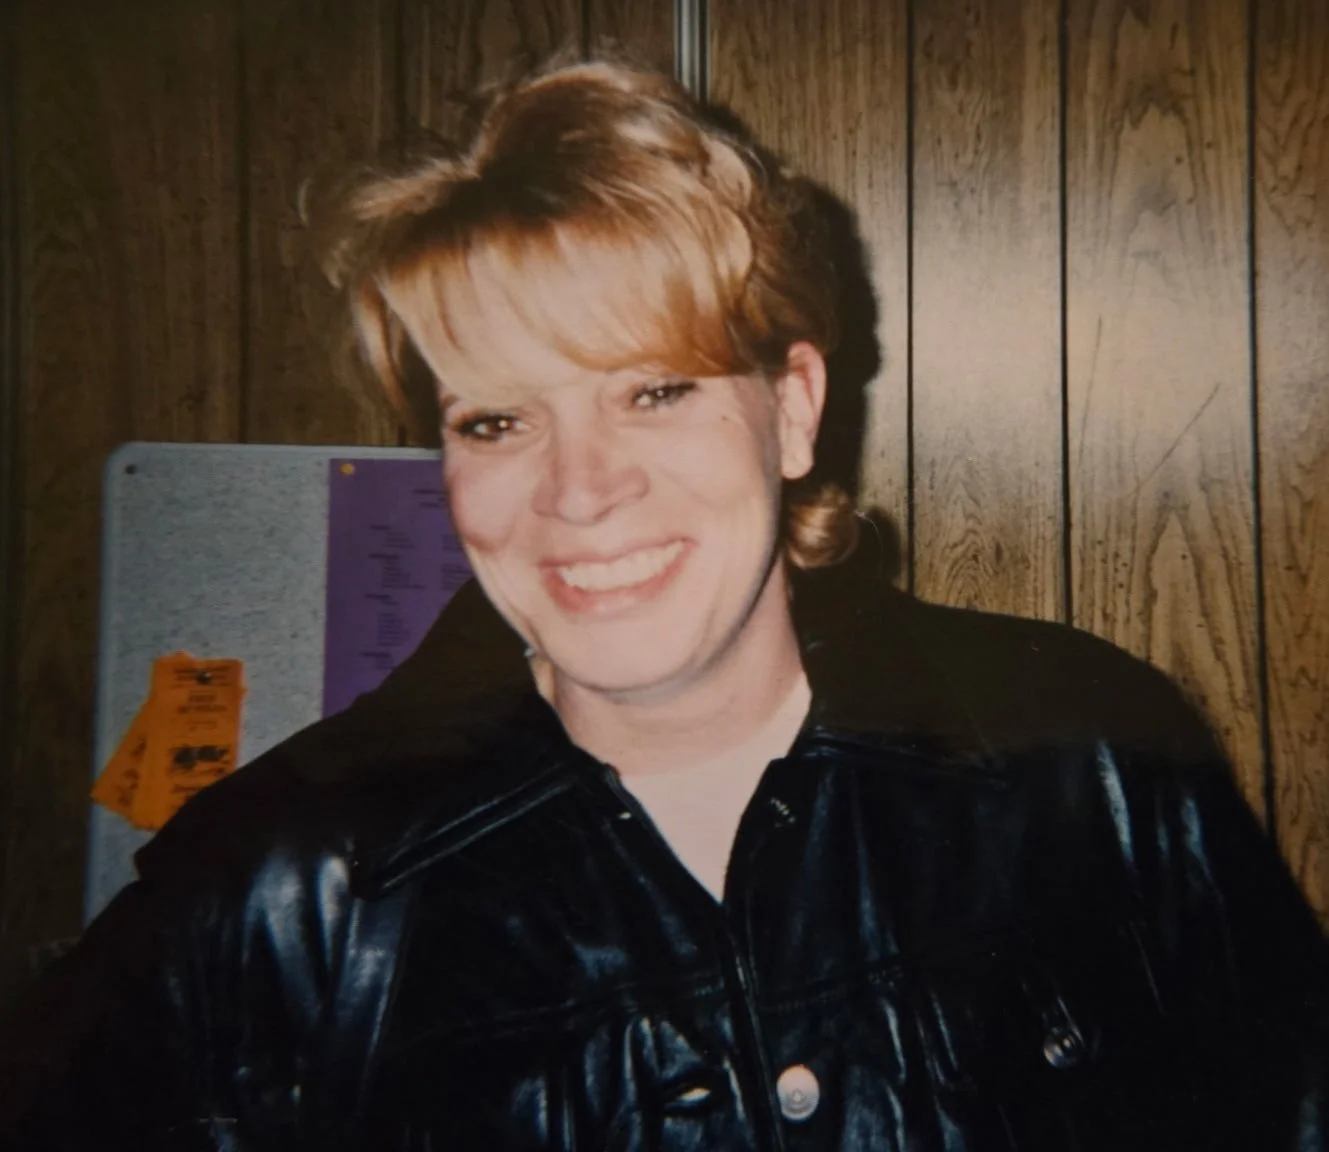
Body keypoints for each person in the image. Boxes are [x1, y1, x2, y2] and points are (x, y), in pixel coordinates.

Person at [2, 54, 1328, 1152]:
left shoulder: (1085, 755)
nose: (579, 490)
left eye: (654, 389)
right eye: (499, 416)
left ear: (793, 409)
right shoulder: (286, 885)